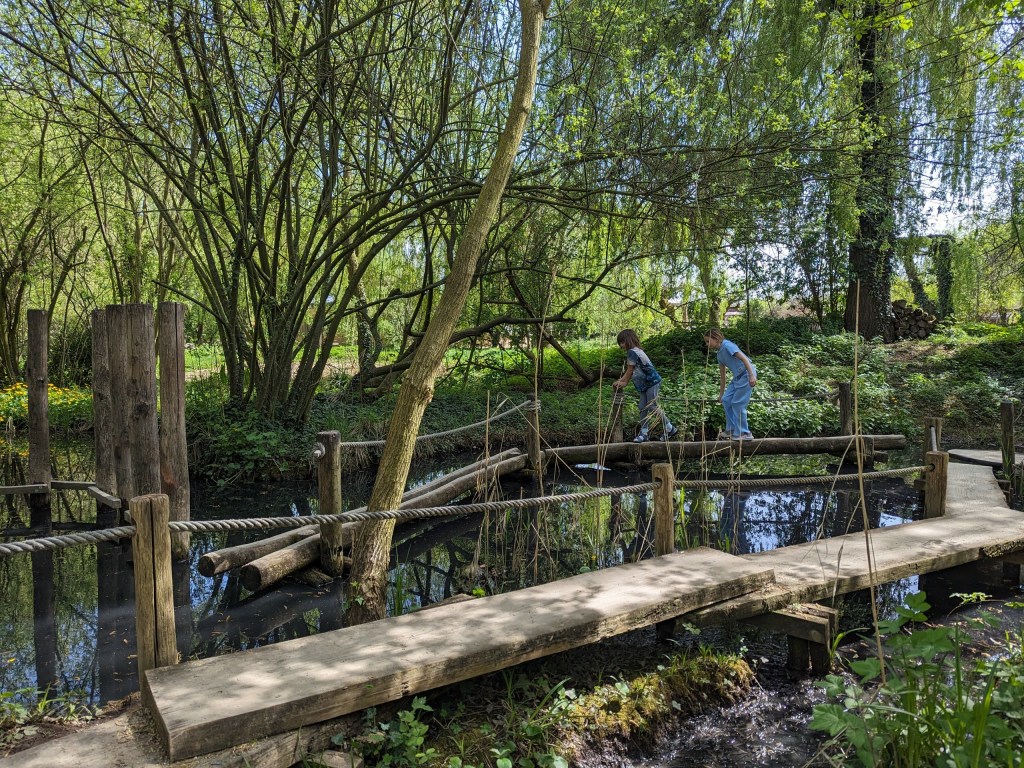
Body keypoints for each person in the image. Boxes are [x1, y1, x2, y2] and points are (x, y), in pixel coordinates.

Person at [612, 329, 679, 443]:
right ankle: (644, 433)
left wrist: (624, 382)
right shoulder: (635, 351)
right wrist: (620, 380)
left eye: (622, 342)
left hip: (651, 382)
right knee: (642, 407)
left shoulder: (632, 352)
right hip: (644, 385)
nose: (621, 346)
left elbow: (630, 370)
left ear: (628, 340)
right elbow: (631, 371)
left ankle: (669, 428)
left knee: (652, 406)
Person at [703, 328, 757, 440]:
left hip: (746, 374)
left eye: (708, 341)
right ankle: (731, 429)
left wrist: (752, 376)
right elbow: (723, 376)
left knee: (738, 403)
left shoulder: (727, 346)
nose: (707, 344)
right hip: (737, 377)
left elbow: (744, 359)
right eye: (706, 342)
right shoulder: (719, 355)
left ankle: (744, 433)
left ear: (716, 338)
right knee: (727, 400)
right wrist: (721, 394)